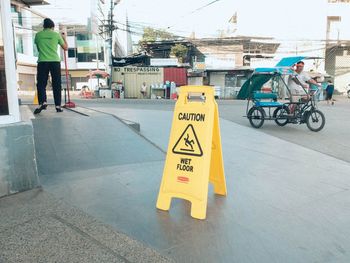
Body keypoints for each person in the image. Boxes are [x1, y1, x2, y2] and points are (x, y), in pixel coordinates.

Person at [33, 18, 68, 114]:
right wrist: (64, 37)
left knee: (41, 83)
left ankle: (43, 102)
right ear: (52, 26)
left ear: (43, 26)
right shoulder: (56, 35)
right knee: (56, 84)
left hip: (42, 61)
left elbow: (39, 48)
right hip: (55, 62)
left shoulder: (38, 35)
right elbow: (65, 48)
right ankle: (58, 106)